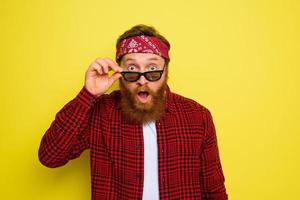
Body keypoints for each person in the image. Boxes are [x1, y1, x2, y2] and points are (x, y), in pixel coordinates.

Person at [38, 24, 228, 200]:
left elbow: (214, 189)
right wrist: (87, 94)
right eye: (132, 68)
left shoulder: (197, 116)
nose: (142, 80)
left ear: (166, 72)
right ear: (119, 72)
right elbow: (50, 156)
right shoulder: (100, 112)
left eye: (152, 69)